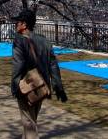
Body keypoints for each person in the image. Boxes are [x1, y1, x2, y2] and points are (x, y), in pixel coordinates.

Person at [11, 9, 67, 139]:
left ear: (24, 25)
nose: (15, 24)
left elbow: (17, 66)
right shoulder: (44, 41)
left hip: (26, 86)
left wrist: (14, 86)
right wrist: (58, 87)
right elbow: (53, 64)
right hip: (42, 86)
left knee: (29, 123)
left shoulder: (19, 41)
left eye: (17, 22)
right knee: (31, 120)